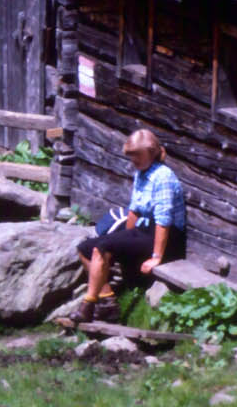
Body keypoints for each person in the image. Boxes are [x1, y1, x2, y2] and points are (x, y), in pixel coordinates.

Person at [71, 127, 187, 323]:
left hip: (166, 237)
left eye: (137, 155)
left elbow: (164, 220)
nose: (134, 160)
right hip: (144, 230)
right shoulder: (141, 173)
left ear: (151, 152)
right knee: (84, 249)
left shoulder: (163, 177)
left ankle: (88, 304)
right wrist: (123, 238)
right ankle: (107, 301)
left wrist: (156, 257)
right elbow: (133, 210)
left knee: (102, 248)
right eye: (131, 156)